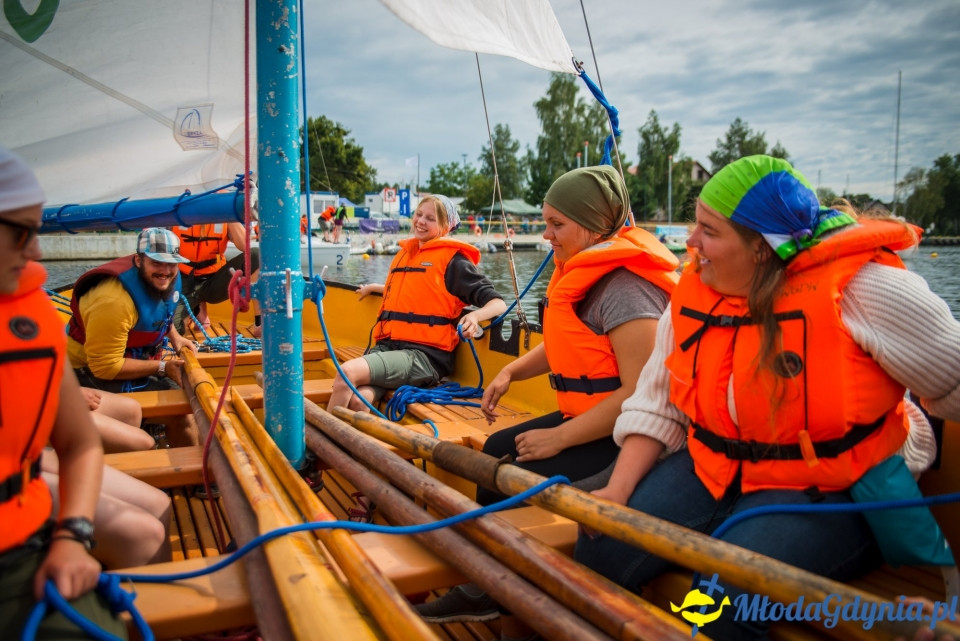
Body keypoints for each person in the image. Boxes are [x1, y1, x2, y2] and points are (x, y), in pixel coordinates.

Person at [573, 156, 960, 641]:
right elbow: (657, 404)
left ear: (761, 248)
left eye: (708, 231)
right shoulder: (694, 292)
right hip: (712, 467)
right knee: (599, 541)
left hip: (824, 484)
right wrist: (618, 489)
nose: (690, 243)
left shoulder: (865, 289)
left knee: (718, 597)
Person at [416, 165, 680, 636]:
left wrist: (559, 437)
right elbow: (568, 342)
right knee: (497, 449)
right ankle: (491, 586)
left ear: (596, 224)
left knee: (522, 475)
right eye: (546, 221)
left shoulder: (626, 288)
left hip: (630, 435)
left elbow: (640, 395)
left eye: (557, 224)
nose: (546, 234)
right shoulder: (579, 271)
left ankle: (517, 597)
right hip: (589, 415)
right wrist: (514, 369)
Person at [0, 146, 128, 638]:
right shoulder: (115, 299)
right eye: (21, 234)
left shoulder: (28, 315)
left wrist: (73, 535)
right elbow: (104, 366)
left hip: (19, 552)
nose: (35, 253)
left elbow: (79, 443)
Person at [328, 194, 507, 413]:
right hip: (392, 347)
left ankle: (320, 444)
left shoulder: (455, 262)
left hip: (424, 357)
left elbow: (498, 303)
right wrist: (374, 287)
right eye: (419, 214)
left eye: (430, 218)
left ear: (445, 225)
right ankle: (354, 444)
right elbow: (414, 293)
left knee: (346, 373)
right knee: (359, 399)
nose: (421, 221)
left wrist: (475, 316)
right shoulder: (408, 253)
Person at [67, 227, 199, 395]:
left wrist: (175, 337)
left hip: (128, 358)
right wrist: (163, 368)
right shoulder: (114, 301)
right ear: (138, 260)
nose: (165, 271)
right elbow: (104, 367)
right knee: (181, 414)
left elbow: (161, 311)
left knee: (181, 394)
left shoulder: (164, 278)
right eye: (156, 262)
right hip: (85, 370)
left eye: (171, 263)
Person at [171, 222, 261, 337]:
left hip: (214, 280)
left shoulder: (224, 213)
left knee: (255, 256)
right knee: (176, 329)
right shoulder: (179, 211)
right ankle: (197, 307)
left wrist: (229, 214)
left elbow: (245, 245)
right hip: (185, 280)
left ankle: (260, 323)